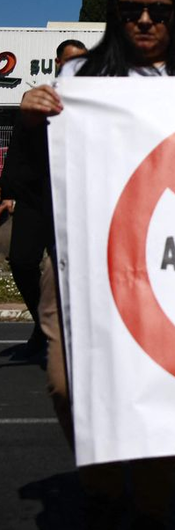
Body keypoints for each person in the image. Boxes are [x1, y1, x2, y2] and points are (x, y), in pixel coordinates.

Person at [19, 0, 175, 530]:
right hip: (83, 256)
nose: (145, 21)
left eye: (159, 10)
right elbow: (43, 163)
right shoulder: (81, 78)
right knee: (68, 385)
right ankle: (104, 498)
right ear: (115, 15)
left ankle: (150, 519)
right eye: (132, 10)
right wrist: (30, 117)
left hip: (171, 262)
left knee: (157, 391)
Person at [0, 39, 87, 365]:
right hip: (36, 197)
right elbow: (19, 148)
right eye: (70, 61)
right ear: (57, 63)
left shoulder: (94, 102)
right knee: (21, 260)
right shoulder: (36, 98)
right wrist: (8, 192)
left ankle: (75, 338)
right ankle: (44, 326)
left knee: (77, 271)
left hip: (76, 198)